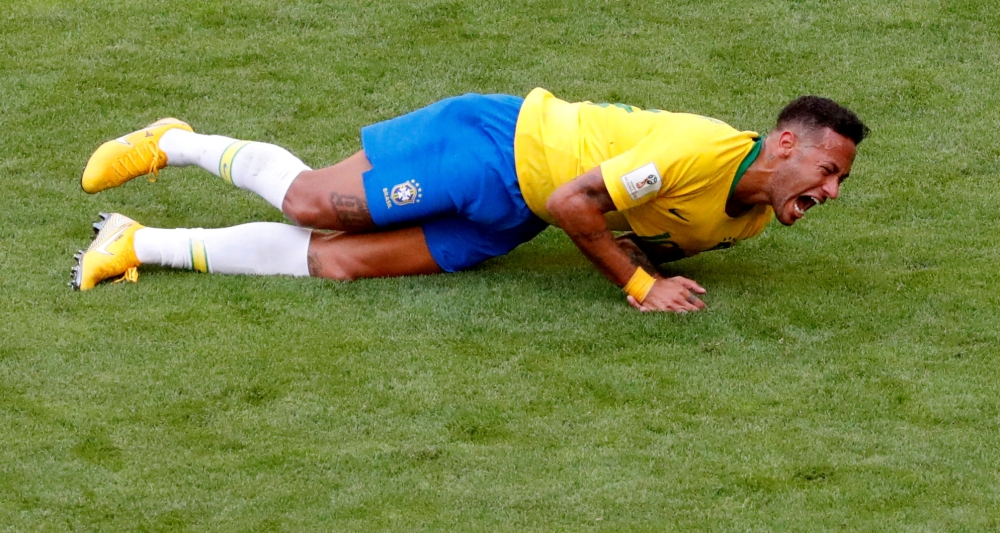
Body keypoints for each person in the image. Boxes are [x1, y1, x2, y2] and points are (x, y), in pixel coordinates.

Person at [71, 88, 867, 312]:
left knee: (341, 265)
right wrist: (637, 285)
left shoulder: (748, 219)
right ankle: (174, 141)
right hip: (492, 150)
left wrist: (645, 262)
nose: (830, 191)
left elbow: (630, 229)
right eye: (827, 170)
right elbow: (578, 203)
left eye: (840, 182)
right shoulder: (695, 150)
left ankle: (135, 242)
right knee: (313, 204)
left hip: (517, 216)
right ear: (783, 144)